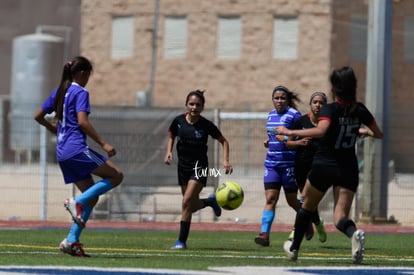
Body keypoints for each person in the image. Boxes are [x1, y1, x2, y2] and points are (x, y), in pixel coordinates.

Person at [277, 66, 383, 263]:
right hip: (348, 168)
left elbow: (321, 131)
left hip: (325, 164)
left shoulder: (330, 109)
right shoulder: (360, 109)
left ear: (334, 89)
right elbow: (378, 133)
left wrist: (291, 132)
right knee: (340, 217)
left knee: (307, 205)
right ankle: (354, 234)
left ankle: (294, 248)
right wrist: (356, 131)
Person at [34, 56, 124, 257]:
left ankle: (71, 241)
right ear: (83, 73)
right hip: (76, 149)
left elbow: (37, 115)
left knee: (92, 198)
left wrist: (54, 129)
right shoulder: (80, 92)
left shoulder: (59, 91)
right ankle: (76, 202)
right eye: (88, 75)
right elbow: (83, 122)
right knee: (117, 175)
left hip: (62, 152)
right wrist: (103, 143)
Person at [164, 89, 233, 250]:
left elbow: (224, 141)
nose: (194, 107)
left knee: (186, 202)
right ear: (186, 105)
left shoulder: (206, 125)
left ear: (202, 107)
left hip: (200, 168)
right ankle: (210, 201)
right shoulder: (178, 121)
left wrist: (225, 160)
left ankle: (181, 242)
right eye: (191, 104)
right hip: (183, 167)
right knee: (191, 206)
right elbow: (171, 136)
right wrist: (168, 152)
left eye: (197, 105)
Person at [255, 85, 308, 247]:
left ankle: (307, 221)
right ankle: (264, 234)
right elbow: (272, 136)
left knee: (292, 201)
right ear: (272, 100)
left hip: (289, 166)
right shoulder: (270, 115)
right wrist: (268, 141)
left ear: (288, 100)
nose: (279, 101)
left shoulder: (294, 115)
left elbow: (302, 141)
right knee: (270, 198)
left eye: (282, 98)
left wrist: (285, 140)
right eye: (276, 98)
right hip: (271, 165)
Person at [285, 92, 328, 243]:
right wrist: (299, 142)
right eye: (315, 102)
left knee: (305, 198)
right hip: (300, 167)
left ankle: (296, 231)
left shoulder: (328, 125)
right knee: (309, 202)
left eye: (321, 103)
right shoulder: (301, 121)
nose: (318, 105)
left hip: (318, 168)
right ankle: (317, 223)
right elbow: (288, 143)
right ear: (310, 104)